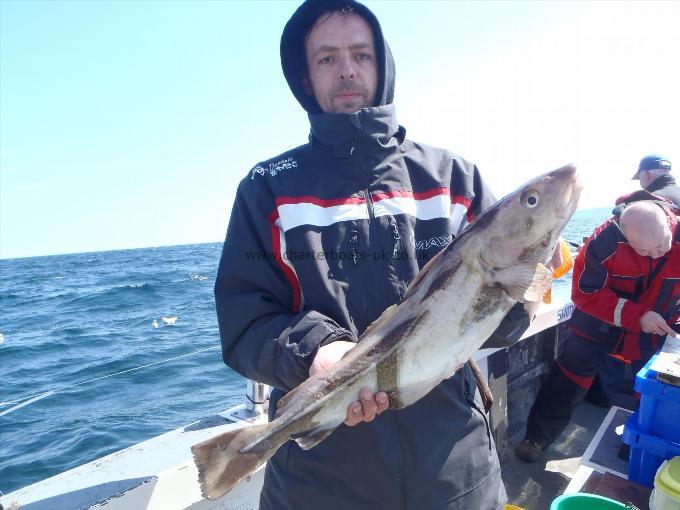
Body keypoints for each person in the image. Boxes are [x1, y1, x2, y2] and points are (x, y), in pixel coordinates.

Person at [214, 1, 533, 508]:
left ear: (383, 65)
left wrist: (526, 285)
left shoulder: (455, 179)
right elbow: (244, 322)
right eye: (327, 58)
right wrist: (316, 353)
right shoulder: (266, 189)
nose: (347, 70)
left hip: (455, 471)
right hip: (319, 484)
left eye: (361, 54)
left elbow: (507, 323)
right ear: (305, 75)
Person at [516, 201, 680, 463]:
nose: (655, 255)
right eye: (643, 250)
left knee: (654, 387)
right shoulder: (603, 242)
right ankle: (536, 438)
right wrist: (638, 316)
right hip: (599, 322)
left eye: (662, 246)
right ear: (624, 234)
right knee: (569, 379)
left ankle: (638, 448)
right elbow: (585, 293)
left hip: (657, 327)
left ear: (669, 224)